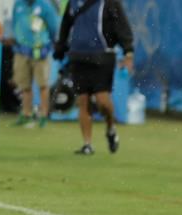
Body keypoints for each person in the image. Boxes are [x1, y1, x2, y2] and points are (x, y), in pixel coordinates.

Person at [54, 0, 134, 155]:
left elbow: (122, 25)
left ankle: (110, 127)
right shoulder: (73, 3)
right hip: (78, 58)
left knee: (102, 101)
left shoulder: (110, 2)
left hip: (102, 58)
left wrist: (128, 52)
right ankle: (87, 144)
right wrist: (60, 46)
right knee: (82, 101)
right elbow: (66, 24)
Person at [11, 0, 60, 128]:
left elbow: (53, 27)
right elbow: (14, 22)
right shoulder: (18, 4)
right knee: (23, 85)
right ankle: (26, 113)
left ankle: (43, 115)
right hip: (21, 50)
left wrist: (48, 45)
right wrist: (16, 39)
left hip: (40, 51)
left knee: (43, 84)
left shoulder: (45, 5)